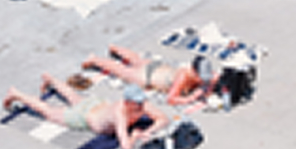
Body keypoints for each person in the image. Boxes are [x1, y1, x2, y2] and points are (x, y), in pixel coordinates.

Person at [2, 73, 168, 149]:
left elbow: (163, 119)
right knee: (48, 112)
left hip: (96, 105)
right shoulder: (120, 113)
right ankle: (17, 94)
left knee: (74, 97)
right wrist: (136, 135)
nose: (140, 106)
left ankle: (51, 80)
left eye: (140, 102)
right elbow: (125, 146)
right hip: (84, 117)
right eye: (137, 103)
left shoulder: (142, 105)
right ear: (127, 102)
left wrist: (148, 131)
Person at [82, 44, 218, 105]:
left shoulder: (203, 73)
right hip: (146, 77)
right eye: (201, 77)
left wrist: (210, 88)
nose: (203, 80)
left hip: (156, 67)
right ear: (194, 72)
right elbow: (171, 99)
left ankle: (115, 48)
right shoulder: (183, 76)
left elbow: (215, 77)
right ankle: (94, 59)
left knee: (136, 59)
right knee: (120, 70)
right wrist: (190, 99)